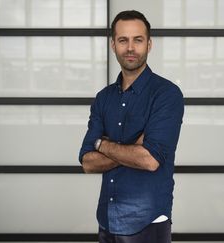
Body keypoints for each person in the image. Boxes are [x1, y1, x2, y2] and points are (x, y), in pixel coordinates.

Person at [79, 10, 184, 243]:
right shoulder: (103, 98)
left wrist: (103, 145)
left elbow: (149, 160)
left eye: (138, 40)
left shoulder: (166, 95)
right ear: (112, 45)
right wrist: (130, 148)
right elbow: (87, 162)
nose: (130, 48)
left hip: (147, 221)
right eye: (123, 40)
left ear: (149, 44)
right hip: (107, 218)